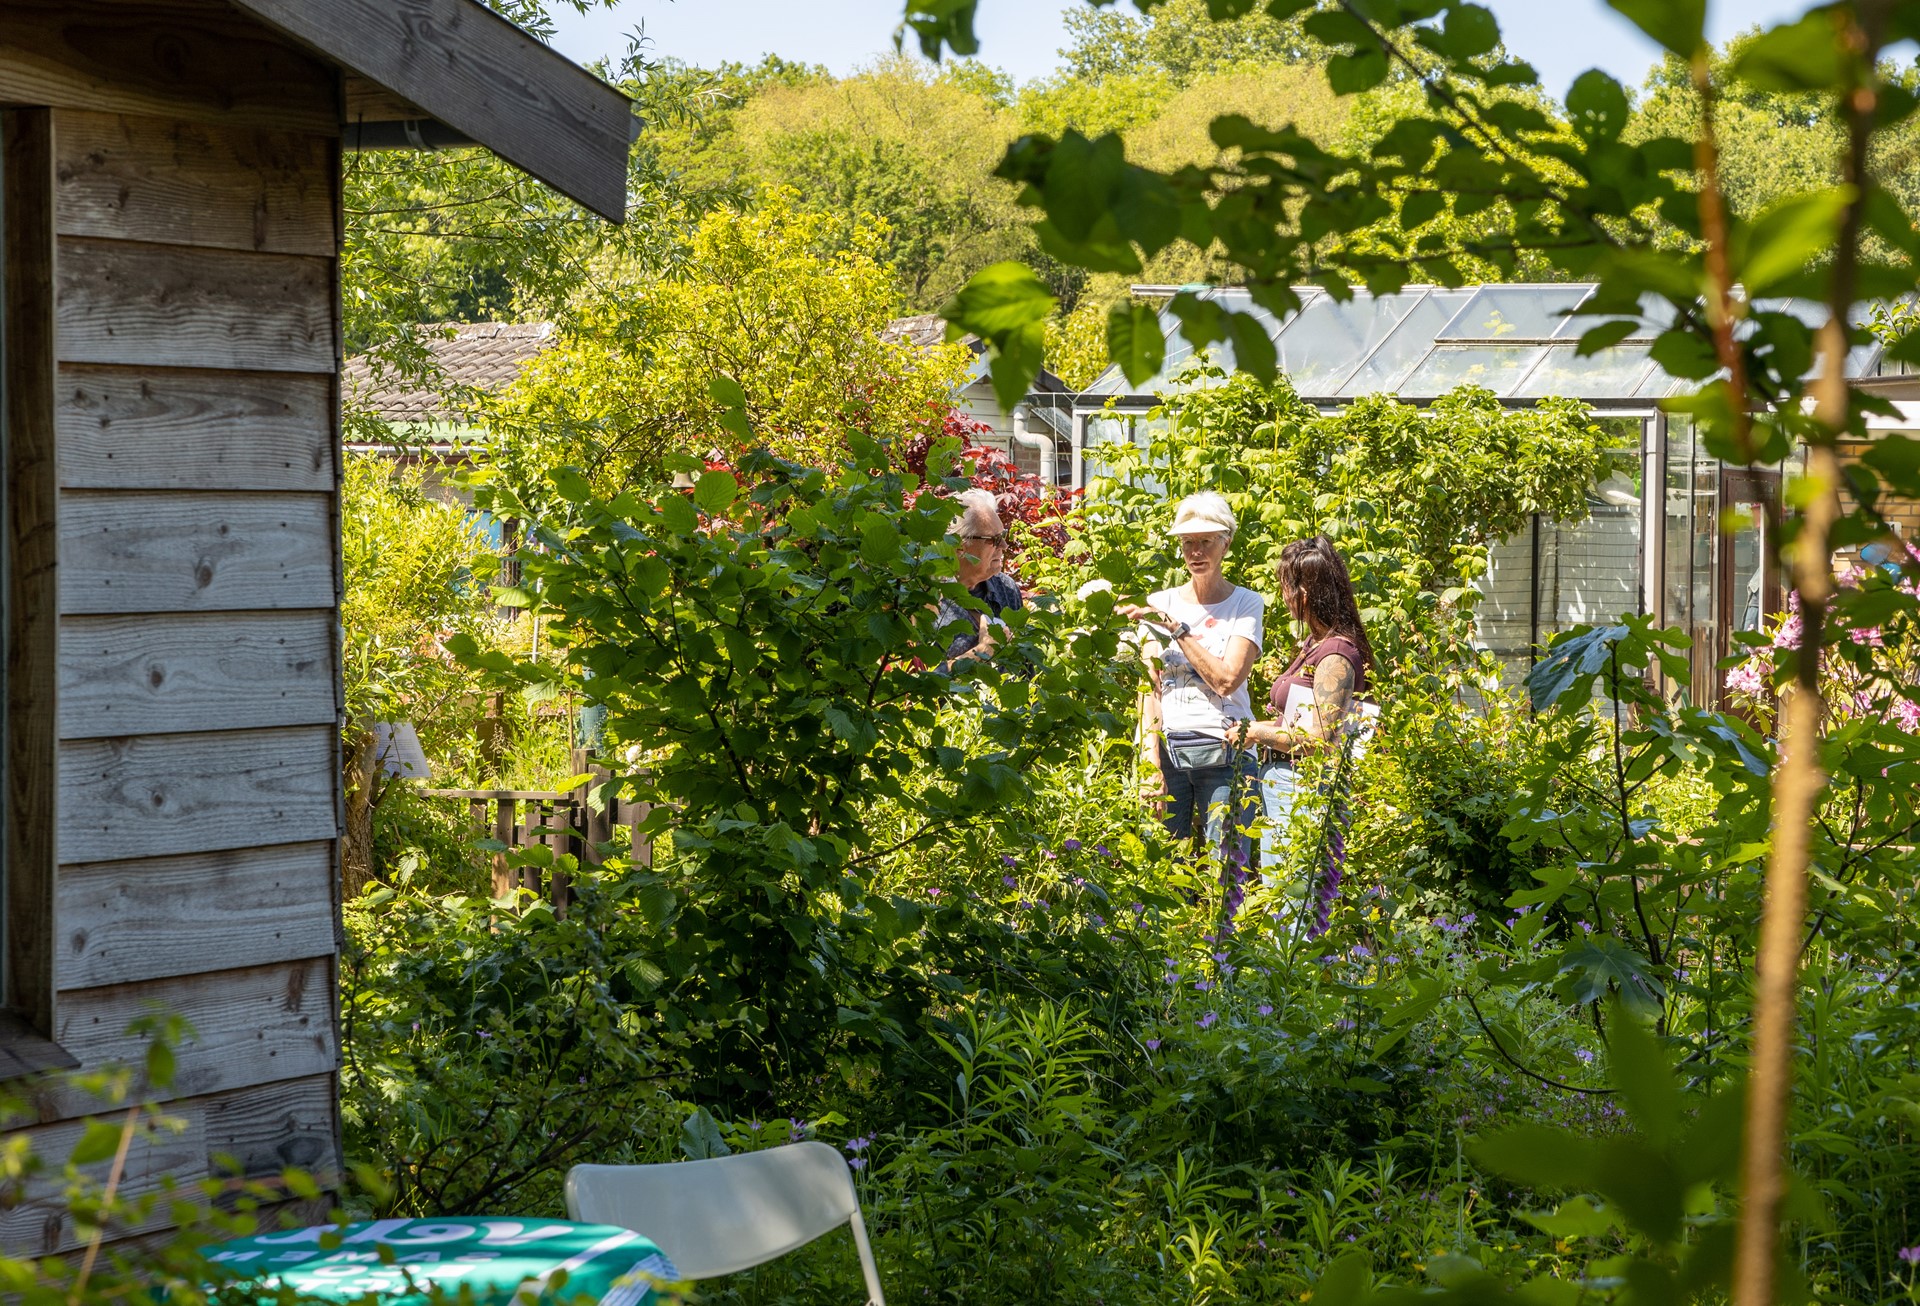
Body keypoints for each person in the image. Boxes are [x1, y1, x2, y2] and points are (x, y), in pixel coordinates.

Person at [1120, 492, 1265, 872]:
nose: (1196, 552)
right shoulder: (1158, 600)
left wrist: (1177, 629)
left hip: (1227, 754)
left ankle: (1225, 933)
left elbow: (1227, 680)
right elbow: (1148, 689)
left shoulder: (1246, 604)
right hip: (1168, 756)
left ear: (1226, 543)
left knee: (1226, 873)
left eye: (1206, 541)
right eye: (1187, 542)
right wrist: (1149, 760)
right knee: (1160, 872)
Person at [1245, 536, 1373, 930]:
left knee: (1295, 899)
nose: (1282, 596)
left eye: (1286, 585)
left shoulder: (1335, 653)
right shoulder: (1315, 644)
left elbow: (1317, 740)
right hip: (1285, 784)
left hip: (1303, 789)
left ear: (1306, 592)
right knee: (1284, 894)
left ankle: (1299, 983)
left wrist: (1254, 733)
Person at [938, 488, 1022, 662]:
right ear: (960, 546)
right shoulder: (928, 600)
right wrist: (982, 652)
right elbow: (921, 681)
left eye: (1003, 535)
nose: (1005, 546)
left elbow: (1023, 665)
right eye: (994, 539)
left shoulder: (1006, 589)